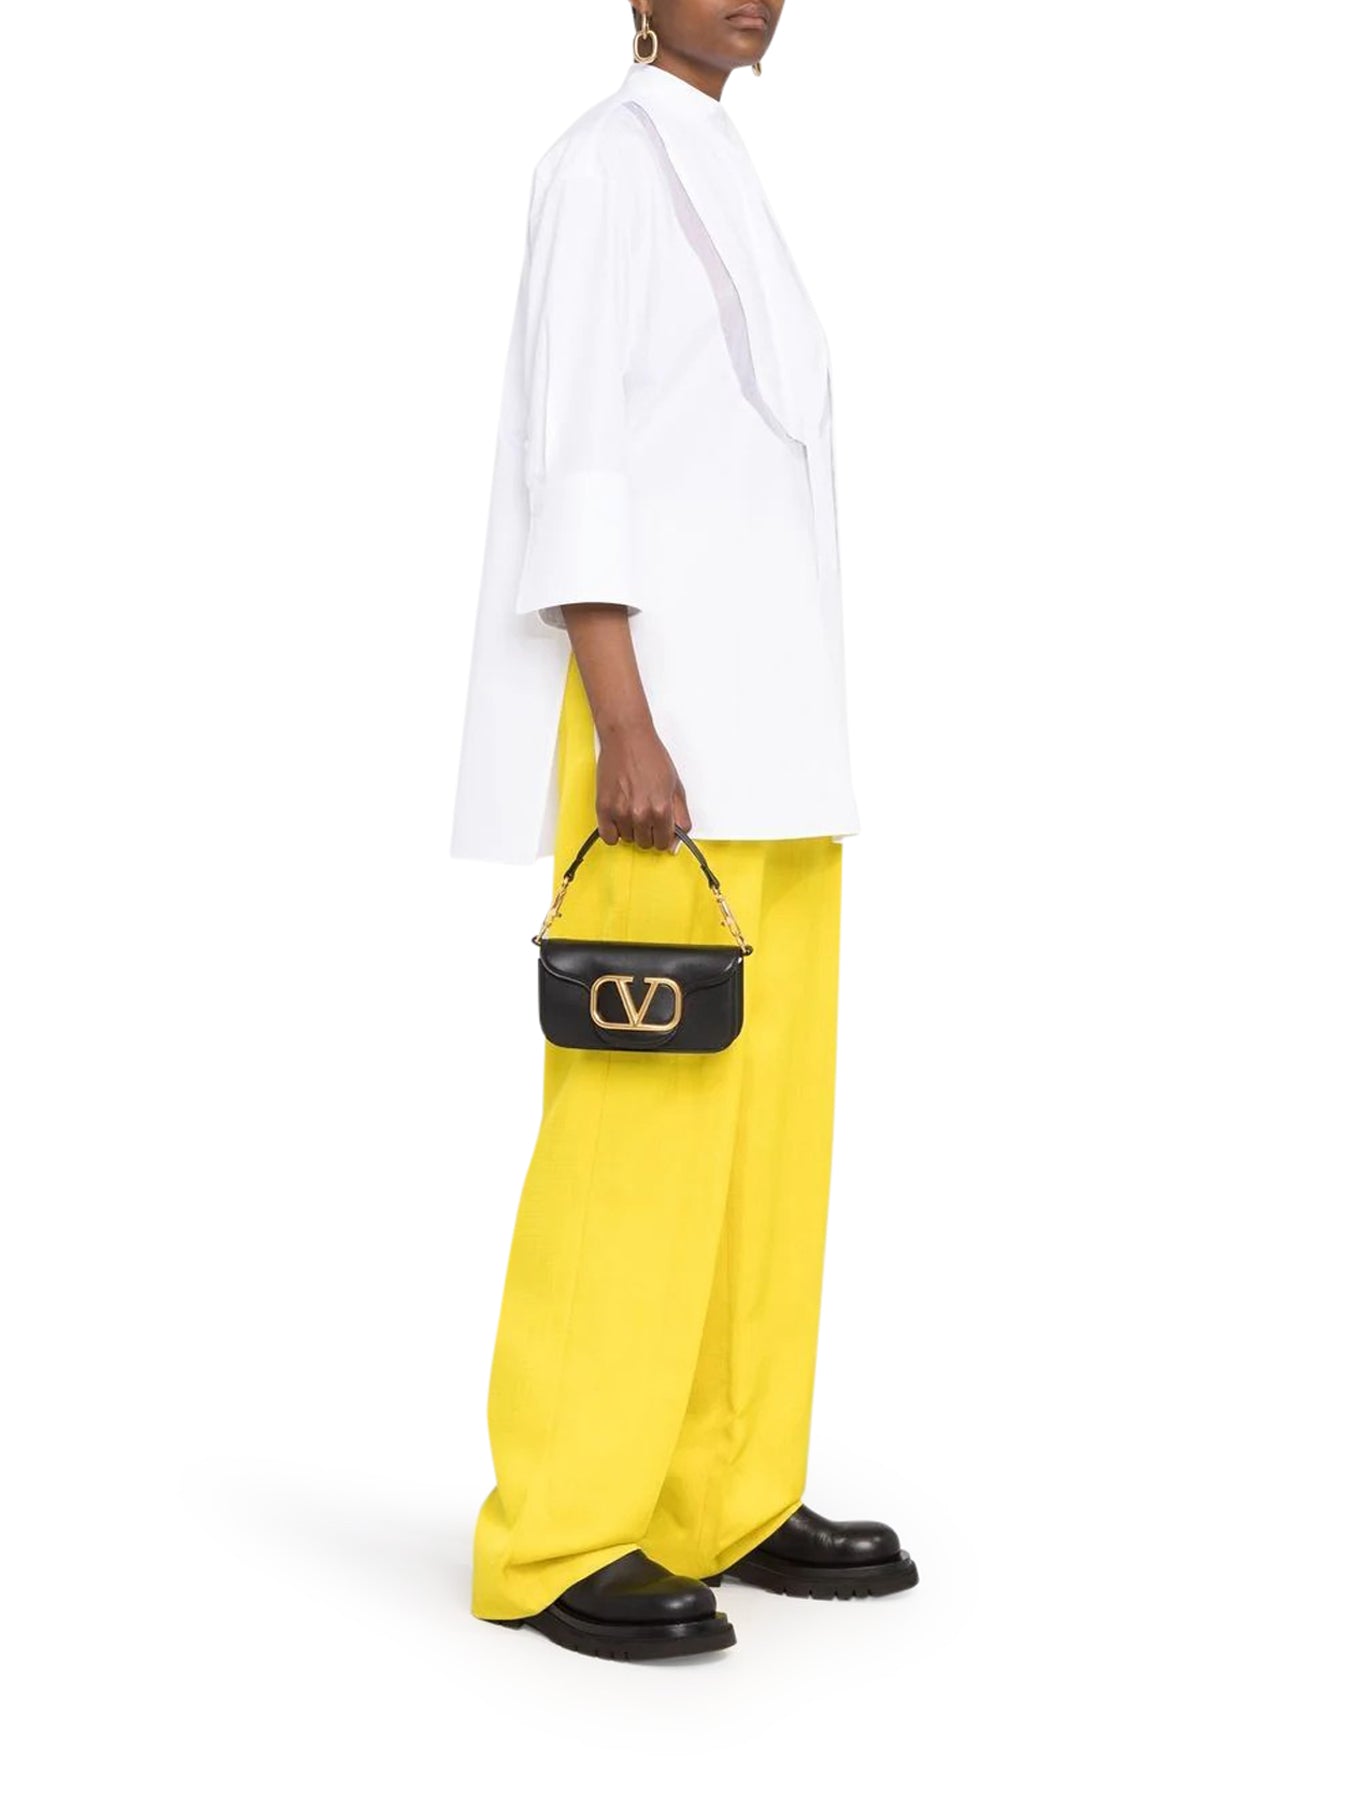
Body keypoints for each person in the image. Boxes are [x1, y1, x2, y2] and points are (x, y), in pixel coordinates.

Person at [450, 1, 917, 1662]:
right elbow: (573, 452)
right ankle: (559, 1530)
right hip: (659, 743)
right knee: (634, 1143)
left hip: (777, 749)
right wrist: (624, 723)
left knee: (764, 1147)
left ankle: (720, 1489)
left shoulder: (723, 164)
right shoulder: (600, 166)